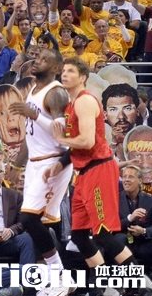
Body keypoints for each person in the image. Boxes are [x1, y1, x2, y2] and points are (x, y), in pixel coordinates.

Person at [52, 58, 134, 268]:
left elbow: (87, 142)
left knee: (103, 234)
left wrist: (61, 139)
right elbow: (78, 146)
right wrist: (61, 163)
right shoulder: (70, 105)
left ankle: (140, 281)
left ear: (83, 77)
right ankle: (102, 281)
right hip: (83, 172)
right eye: (63, 71)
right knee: (79, 237)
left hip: (99, 169)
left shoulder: (85, 101)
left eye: (71, 71)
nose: (65, 74)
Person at [8, 48, 72, 296]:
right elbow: (30, 135)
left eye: (45, 60)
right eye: (37, 57)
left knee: (28, 219)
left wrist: (34, 114)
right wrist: (17, 165)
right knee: (40, 223)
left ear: (56, 68)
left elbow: (62, 133)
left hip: (54, 162)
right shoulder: (33, 90)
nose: (37, 61)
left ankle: (61, 277)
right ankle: (55, 280)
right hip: (36, 163)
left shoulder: (56, 93)